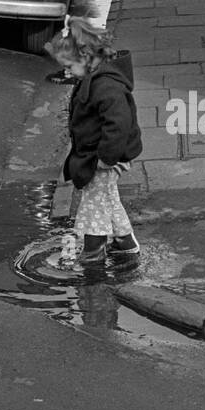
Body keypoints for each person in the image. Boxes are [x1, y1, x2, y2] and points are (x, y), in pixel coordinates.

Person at [45, 16, 143, 266]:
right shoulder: (93, 79)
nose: (68, 71)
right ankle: (126, 245)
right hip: (98, 154)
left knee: (93, 208)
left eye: (70, 65)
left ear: (87, 57)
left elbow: (118, 125)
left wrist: (105, 158)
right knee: (107, 199)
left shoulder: (106, 87)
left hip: (102, 157)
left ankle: (93, 257)